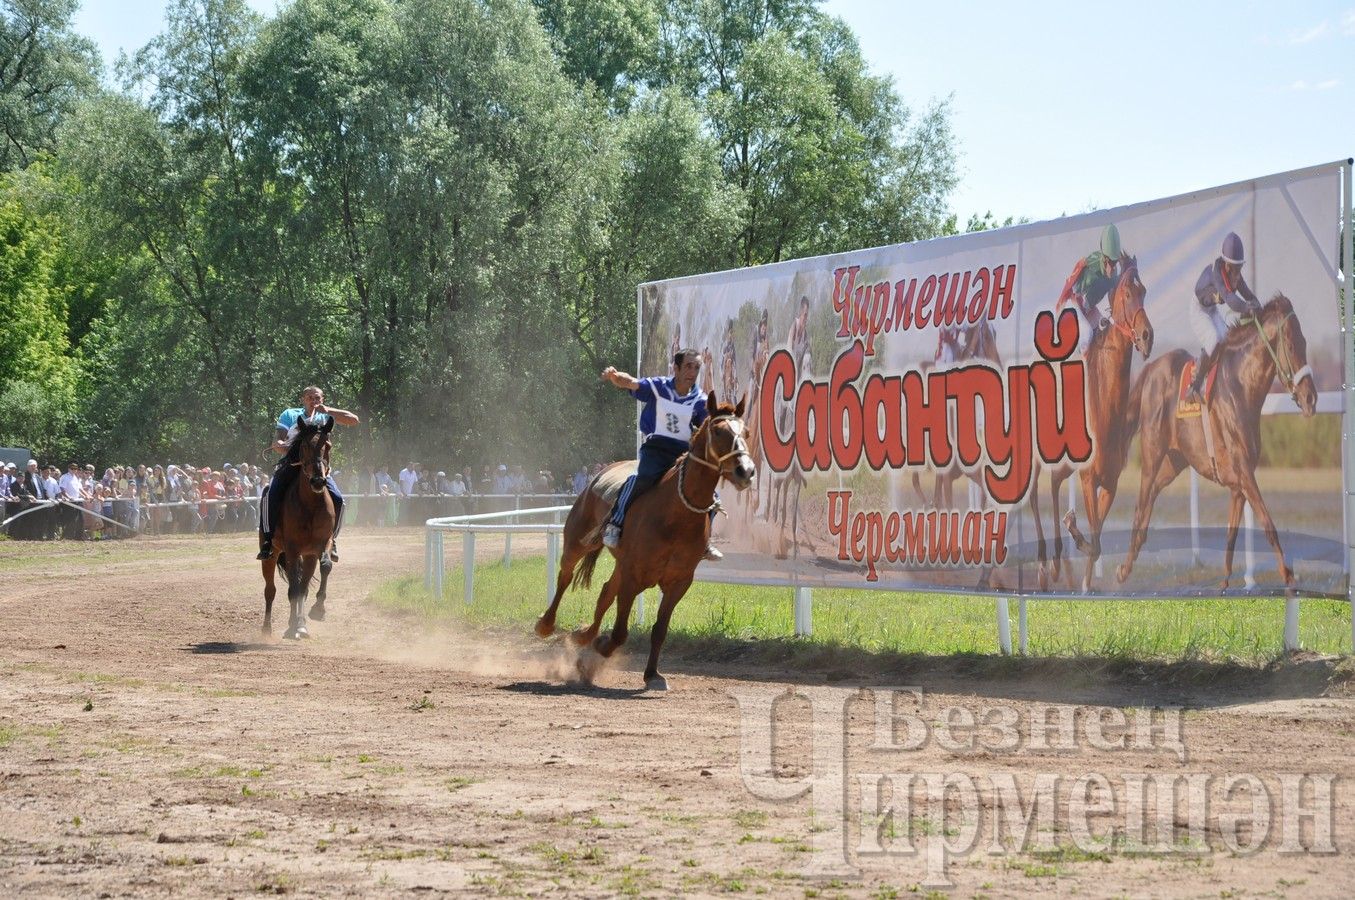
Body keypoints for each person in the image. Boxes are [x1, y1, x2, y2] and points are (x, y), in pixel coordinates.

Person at [600, 348, 722, 561]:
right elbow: (633, 383)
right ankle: (615, 524)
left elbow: (709, 427)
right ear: (676, 368)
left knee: (712, 496)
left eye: (696, 367)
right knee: (642, 478)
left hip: (683, 454)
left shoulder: (700, 401)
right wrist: (615, 377)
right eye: (688, 366)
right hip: (656, 449)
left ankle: (704, 542)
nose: (692, 372)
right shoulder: (658, 387)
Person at [256, 386, 360, 561]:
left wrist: (328, 410)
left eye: (317, 397)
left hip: (318, 469)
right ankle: (268, 539)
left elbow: (354, 420)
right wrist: (286, 446)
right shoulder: (289, 414)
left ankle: (332, 540)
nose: (314, 401)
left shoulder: (325, 415)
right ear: (303, 399)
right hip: (291, 465)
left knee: (339, 500)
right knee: (269, 494)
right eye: (310, 397)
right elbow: (277, 441)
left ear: (322, 398)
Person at [1186, 231, 1262, 403]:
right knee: (1213, 339)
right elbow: (1231, 300)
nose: (1237, 272)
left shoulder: (1235, 274)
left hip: (1211, 309)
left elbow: (1247, 294)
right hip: (1198, 310)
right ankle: (1195, 386)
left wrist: (1258, 308)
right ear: (1226, 265)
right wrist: (1246, 308)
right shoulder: (1217, 274)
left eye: (1239, 267)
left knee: (1227, 339)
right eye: (1234, 268)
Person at [1055, 223, 1124, 351]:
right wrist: (1059, 311)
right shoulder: (1087, 263)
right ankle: (1083, 368)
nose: (1114, 267)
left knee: (1107, 330)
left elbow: (1114, 295)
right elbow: (1069, 285)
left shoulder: (1113, 274)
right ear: (1104, 258)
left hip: (1088, 308)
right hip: (1073, 303)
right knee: (1087, 333)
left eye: (1116, 261)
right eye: (1112, 262)